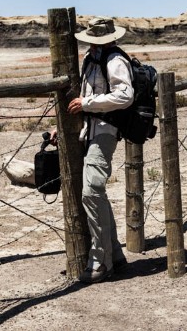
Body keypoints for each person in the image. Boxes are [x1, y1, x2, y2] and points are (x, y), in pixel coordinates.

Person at [50, 16, 134, 283]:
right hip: (90, 130)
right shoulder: (91, 59)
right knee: (96, 192)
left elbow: (125, 95)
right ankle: (115, 256)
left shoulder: (115, 60)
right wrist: (61, 127)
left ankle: (101, 262)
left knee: (91, 191)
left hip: (106, 131)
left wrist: (88, 103)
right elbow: (80, 98)